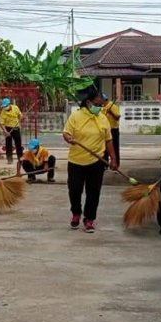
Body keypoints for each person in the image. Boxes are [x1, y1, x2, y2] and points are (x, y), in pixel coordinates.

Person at [63, 88, 118, 232]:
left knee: (93, 192)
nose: (99, 107)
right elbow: (66, 133)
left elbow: (109, 140)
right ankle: (76, 213)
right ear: (88, 102)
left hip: (97, 161)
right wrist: (69, 138)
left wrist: (113, 158)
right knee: (74, 190)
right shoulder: (76, 116)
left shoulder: (102, 118)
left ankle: (89, 219)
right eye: (97, 104)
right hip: (76, 161)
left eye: (101, 105)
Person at [0, 97, 23, 164]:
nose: (5, 107)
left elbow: (20, 115)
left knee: (18, 144)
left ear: (9, 104)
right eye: (4, 106)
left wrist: (21, 117)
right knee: (8, 145)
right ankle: (9, 159)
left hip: (16, 128)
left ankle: (20, 159)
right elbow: (1, 124)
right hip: (8, 129)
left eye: (6, 106)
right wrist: (5, 132)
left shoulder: (15, 108)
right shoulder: (3, 112)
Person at [101, 93, 121, 166]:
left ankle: (116, 164)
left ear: (104, 100)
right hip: (105, 130)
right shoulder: (103, 107)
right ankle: (105, 164)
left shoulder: (113, 106)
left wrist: (111, 112)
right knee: (104, 148)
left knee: (115, 147)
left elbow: (117, 117)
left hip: (113, 130)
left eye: (101, 101)